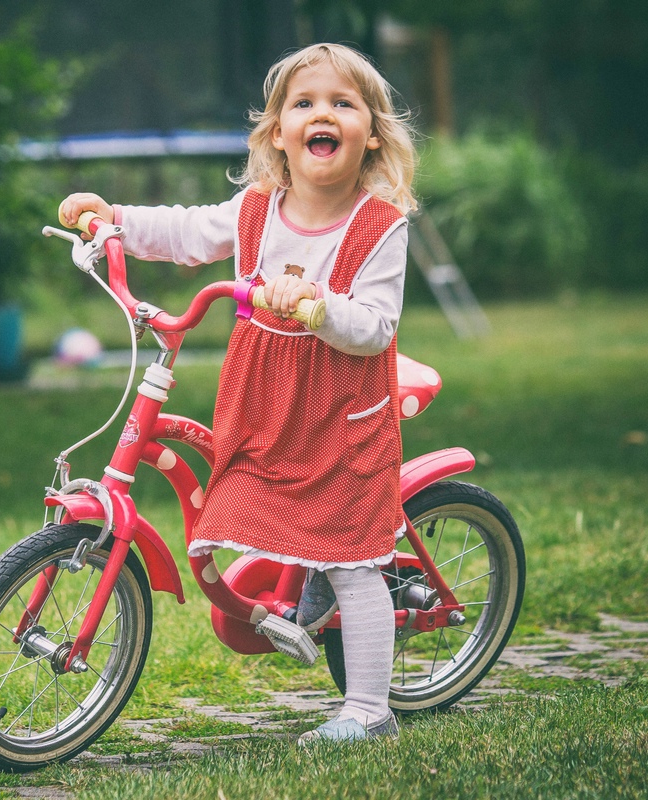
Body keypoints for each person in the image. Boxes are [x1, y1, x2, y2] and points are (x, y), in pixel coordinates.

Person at [58, 43, 417, 744]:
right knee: (248, 495)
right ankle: (302, 578)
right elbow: (189, 231)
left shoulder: (379, 228)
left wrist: (318, 305)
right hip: (265, 408)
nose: (323, 114)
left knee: (351, 560)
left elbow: (375, 329)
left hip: (340, 417)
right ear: (278, 132)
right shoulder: (257, 210)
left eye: (343, 104)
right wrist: (116, 220)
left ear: (371, 131)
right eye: (304, 103)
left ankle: (370, 712)